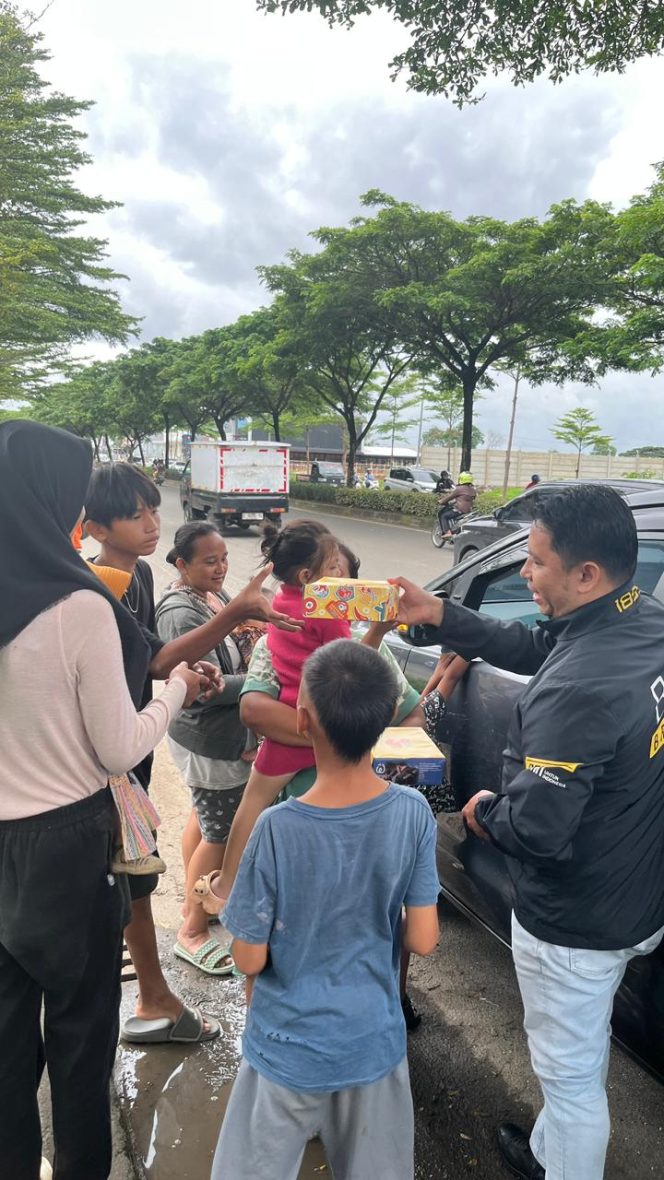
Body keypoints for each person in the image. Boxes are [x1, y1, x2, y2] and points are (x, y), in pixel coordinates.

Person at [392, 483, 664, 1180]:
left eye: (535, 562)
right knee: (579, 1050)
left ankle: (562, 1162)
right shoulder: (641, 623)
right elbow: (542, 641)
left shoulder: (578, 690)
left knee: (571, 1081)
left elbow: (537, 831)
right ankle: (547, 1150)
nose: (522, 572)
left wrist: (482, 813)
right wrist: (443, 614)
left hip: (576, 919)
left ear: (586, 575)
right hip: (638, 889)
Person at [0, 420, 202, 1180]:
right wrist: (176, 688)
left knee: (5, 1038)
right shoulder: (77, 604)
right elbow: (121, 748)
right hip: (67, 843)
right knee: (81, 1033)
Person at [83, 462, 301, 1045]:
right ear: (96, 525)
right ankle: (154, 993)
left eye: (154, 509)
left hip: (134, 752)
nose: (153, 524)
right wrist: (233, 618)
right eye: (136, 514)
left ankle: (153, 987)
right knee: (129, 872)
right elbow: (158, 666)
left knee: (137, 867)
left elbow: (155, 656)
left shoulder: (142, 579)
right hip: (109, 756)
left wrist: (190, 667)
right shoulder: (93, 585)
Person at [210, 640, 440, 1180]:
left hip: (286, 1047)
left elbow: (248, 959)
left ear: (303, 719)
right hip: (373, 1043)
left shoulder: (276, 828)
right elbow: (424, 940)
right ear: (387, 718)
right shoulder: (412, 812)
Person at [155, 522, 258, 976]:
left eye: (223, 559)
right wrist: (265, 681)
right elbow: (206, 687)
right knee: (222, 833)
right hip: (209, 737)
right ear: (182, 564)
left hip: (214, 737)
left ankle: (196, 902)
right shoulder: (180, 611)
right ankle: (194, 929)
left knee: (204, 818)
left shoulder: (212, 597)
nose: (220, 568)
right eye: (209, 561)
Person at [437, 471, 477, 539]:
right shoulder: (473, 490)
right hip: (469, 511)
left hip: (460, 510)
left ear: (462, 479)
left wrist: (441, 501)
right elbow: (465, 499)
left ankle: (447, 532)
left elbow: (449, 497)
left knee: (443, 516)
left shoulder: (459, 489)